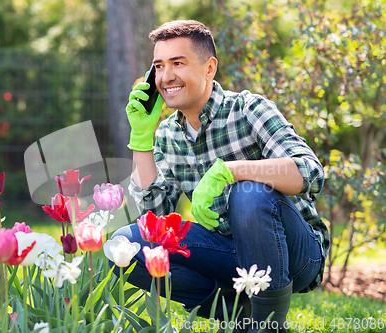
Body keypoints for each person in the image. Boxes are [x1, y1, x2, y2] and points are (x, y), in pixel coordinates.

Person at [110, 20, 329, 333]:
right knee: (128, 244)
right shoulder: (168, 136)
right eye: (158, 66)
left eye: (178, 63)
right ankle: (237, 314)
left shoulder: (248, 109)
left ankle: (266, 326)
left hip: (294, 255)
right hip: (229, 255)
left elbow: (310, 172)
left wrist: (231, 171)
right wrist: (141, 141)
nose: (166, 76)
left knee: (248, 192)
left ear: (209, 68)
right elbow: (154, 221)